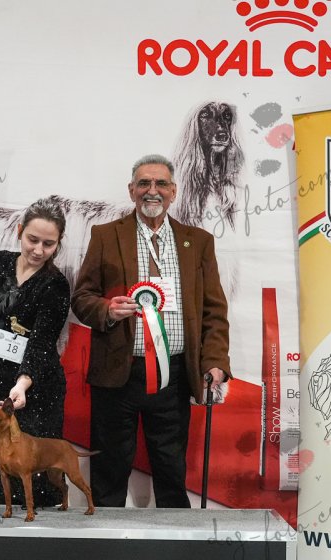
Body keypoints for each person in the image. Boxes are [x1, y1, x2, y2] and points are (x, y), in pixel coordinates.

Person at [71, 154, 231, 508]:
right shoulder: (105, 235)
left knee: (172, 470)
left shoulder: (198, 241)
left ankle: (176, 541)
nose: (152, 190)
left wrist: (216, 361)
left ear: (174, 191)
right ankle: (107, 540)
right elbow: (82, 297)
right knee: (109, 471)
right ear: (131, 190)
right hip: (118, 373)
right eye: (144, 183)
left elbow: (214, 311)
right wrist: (107, 310)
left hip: (174, 375)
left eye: (161, 183)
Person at [0, 196, 70, 508]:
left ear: (58, 243)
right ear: (19, 231)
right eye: (33, 240)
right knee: (1, 473)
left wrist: (23, 383)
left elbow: (42, 343)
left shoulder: (56, 284)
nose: (38, 250)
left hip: (35, 389)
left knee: (35, 483)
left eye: (48, 244)